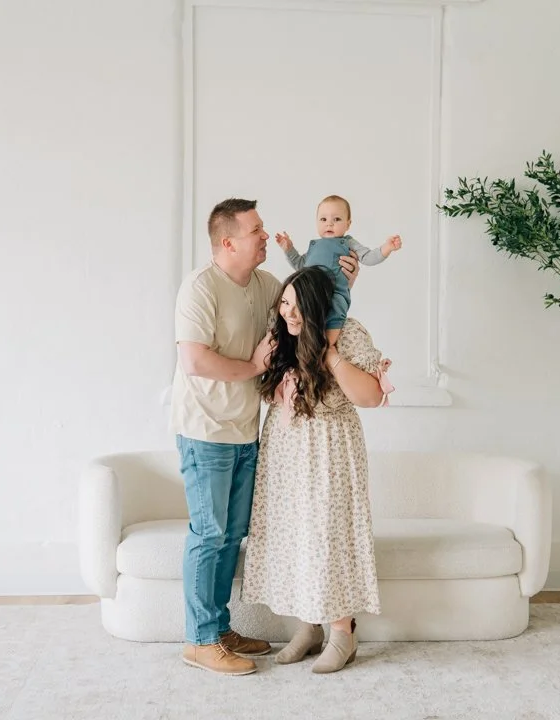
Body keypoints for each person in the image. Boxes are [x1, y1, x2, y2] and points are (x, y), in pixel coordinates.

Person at [171, 198, 359, 676]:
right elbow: (194, 360)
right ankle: (199, 640)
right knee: (210, 534)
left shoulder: (264, 285)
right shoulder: (200, 287)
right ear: (227, 241)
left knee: (232, 535)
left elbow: (307, 301)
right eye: (256, 230)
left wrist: (344, 284)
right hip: (206, 431)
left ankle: (220, 630)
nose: (264, 236)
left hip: (246, 431)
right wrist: (254, 367)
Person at [240, 265, 394, 674]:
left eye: (297, 305)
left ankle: (342, 633)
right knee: (295, 537)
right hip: (286, 452)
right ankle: (307, 627)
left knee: (328, 537)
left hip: (329, 449)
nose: (289, 312)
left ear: (318, 307)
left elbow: (371, 396)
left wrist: (331, 355)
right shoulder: (282, 336)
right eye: (285, 302)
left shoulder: (346, 333)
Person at [275, 194, 402, 349]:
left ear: (348, 224)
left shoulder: (347, 242)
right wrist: (288, 249)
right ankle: (305, 345)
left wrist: (387, 248)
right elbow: (300, 265)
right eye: (323, 219)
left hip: (335, 291)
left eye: (336, 219)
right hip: (312, 295)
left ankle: (326, 347)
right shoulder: (315, 246)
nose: (329, 224)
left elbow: (368, 257)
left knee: (335, 309)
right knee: (305, 312)